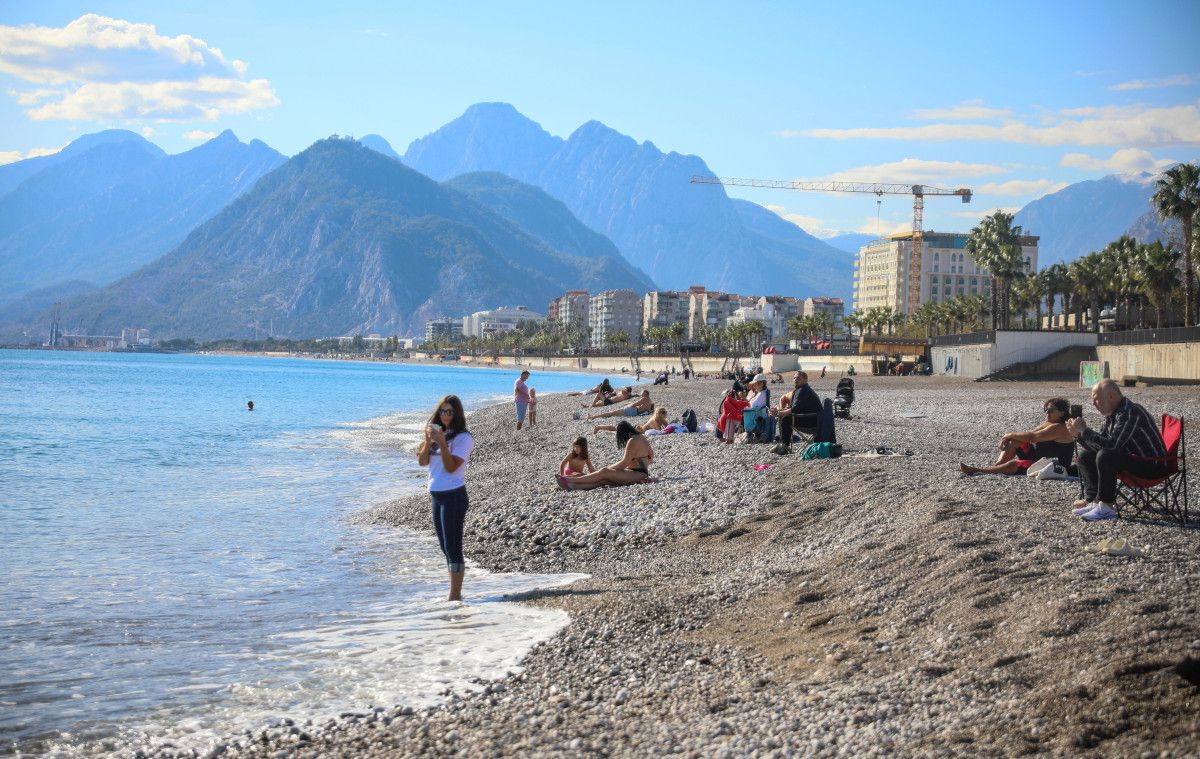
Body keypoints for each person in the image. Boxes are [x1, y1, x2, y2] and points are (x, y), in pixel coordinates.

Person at [1067, 379, 1168, 521]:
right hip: (1135, 460)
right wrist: (1079, 436)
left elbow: (1111, 446)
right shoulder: (1113, 414)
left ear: (1111, 396)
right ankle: (1094, 501)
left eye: (1096, 399)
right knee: (1086, 455)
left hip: (1153, 465)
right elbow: (1100, 445)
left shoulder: (1130, 412)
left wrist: (1085, 430)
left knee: (1106, 456)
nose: (1093, 403)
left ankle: (1106, 507)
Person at [416, 395, 474, 601]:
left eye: (450, 412)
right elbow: (423, 462)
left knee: (453, 547)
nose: (446, 415)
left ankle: (455, 596)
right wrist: (428, 442)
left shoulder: (463, 438)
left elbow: (451, 468)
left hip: (453, 495)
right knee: (444, 546)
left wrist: (441, 443)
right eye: (443, 411)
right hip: (436, 495)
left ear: (457, 414)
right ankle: (454, 594)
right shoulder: (439, 434)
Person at [958, 398, 1076, 476]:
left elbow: (1033, 437)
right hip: (1040, 458)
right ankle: (996, 467)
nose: (1047, 413)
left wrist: (1008, 434)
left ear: (1061, 413)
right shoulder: (1049, 423)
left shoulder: (1060, 427)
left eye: (1050, 410)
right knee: (1015, 441)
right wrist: (1009, 438)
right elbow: (1028, 435)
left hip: (1053, 465)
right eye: (1046, 410)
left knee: (1014, 464)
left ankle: (980, 471)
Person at [557, 421, 654, 490]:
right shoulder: (642, 437)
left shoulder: (632, 440)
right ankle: (572, 486)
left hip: (637, 474)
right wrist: (641, 462)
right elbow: (651, 456)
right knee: (603, 481)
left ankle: (571, 480)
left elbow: (624, 463)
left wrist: (609, 468)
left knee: (604, 471)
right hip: (641, 473)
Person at [771, 371, 822, 454]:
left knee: (786, 419)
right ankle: (783, 444)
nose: (795, 380)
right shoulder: (798, 390)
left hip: (812, 422)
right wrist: (778, 411)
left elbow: (794, 409)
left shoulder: (803, 390)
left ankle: (784, 446)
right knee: (785, 417)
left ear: (805, 380)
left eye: (798, 378)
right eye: (794, 378)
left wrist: (778, 413)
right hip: (812, 419)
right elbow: (791, 407)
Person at [594, 406, 668, 435]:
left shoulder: (661, 419)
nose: (665, 414)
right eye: (663, 412)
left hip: (639, 429)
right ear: (658, 414)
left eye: (665, 412)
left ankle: (599, 428)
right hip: (637, 430)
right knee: (616, 429)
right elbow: (660, 432)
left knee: (617, 429)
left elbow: (667, 427)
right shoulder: (655, 420)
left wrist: (672, 423)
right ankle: (599, 427)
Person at [589, 389, 653, 420]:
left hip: (631, 410)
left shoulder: (644, 398)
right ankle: (594, 415)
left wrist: (628, 405)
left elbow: (634, 405)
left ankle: (594, 416)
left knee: (612, 413)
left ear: (645, 394)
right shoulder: (650, 402)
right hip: (635, 412)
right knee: (613, 413)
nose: (641, 395)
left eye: (642, 394)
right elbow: (646, 410)